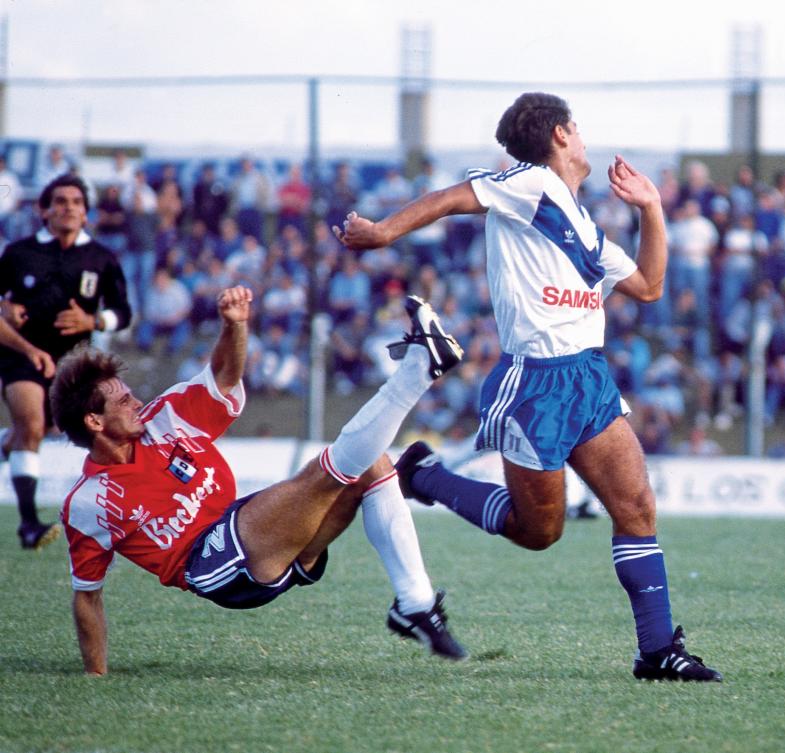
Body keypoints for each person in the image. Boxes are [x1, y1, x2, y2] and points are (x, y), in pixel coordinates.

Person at [335, 92, 721, 682]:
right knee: (539, 531)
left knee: (637, 507)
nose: (585, 138)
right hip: (535, 384)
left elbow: (647, 285)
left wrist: (652, 209)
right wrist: (384, 233)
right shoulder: (529, 183)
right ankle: (426, 476)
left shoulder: (583, 224)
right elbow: (455, 197)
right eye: (579, 128)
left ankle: (658, 650)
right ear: (561, 134)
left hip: (588, 378)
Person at [53, 287, 469, 675]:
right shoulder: (90, 502)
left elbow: (225, 378)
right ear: (94, 421)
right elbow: (87, 593)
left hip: (246, 528)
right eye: (124, 401)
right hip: (212, 563)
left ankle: (414, 604)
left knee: (373, 465)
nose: (137, 402)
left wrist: (235, 325)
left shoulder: (165, 415)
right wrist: (96, 675)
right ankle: (416, 372)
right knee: (326, 472)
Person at [0, 175, 133, 550]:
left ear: (87, 214)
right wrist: (12, 323)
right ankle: (29, 525)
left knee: (42, 432)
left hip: (73, 364)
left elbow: (123, 313)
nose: (69, 207)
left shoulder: (102, 259)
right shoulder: (18, 253)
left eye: (76, 202)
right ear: (44, 210)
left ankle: (8, 445)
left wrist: (93, 321)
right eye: (60, 201)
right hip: (21, 355)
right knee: (32, 422)